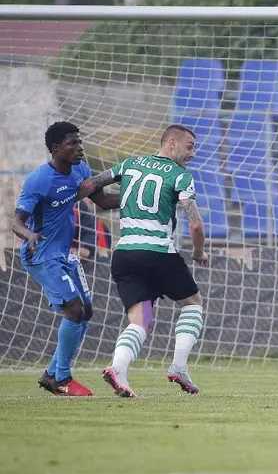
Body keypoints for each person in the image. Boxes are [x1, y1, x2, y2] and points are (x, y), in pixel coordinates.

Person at [78, 124, 208, 398]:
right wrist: (199, 253)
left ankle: (118, 368)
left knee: (140, 320)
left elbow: (91, 185)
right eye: (189, 147)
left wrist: (64, 200)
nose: (192, 154)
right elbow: (196, 225)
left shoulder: (129, 165)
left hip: (125, 255)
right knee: (193, 304)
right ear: (172, 143)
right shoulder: (180, 176)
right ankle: (179, 366)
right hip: (158, 254)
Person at [12, 121, 119, 396]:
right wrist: (29, 235)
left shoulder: (81, 169)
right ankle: (62, 378)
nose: (79, 147)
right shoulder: (39, 180)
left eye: (80, 142)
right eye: (73, 143)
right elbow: (16, 222)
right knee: (73, 310)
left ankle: (51, 375)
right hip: (41, 254)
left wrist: (137, 198)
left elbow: (103, 201)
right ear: (56, 148)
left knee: (86, 312)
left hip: (64, 254)